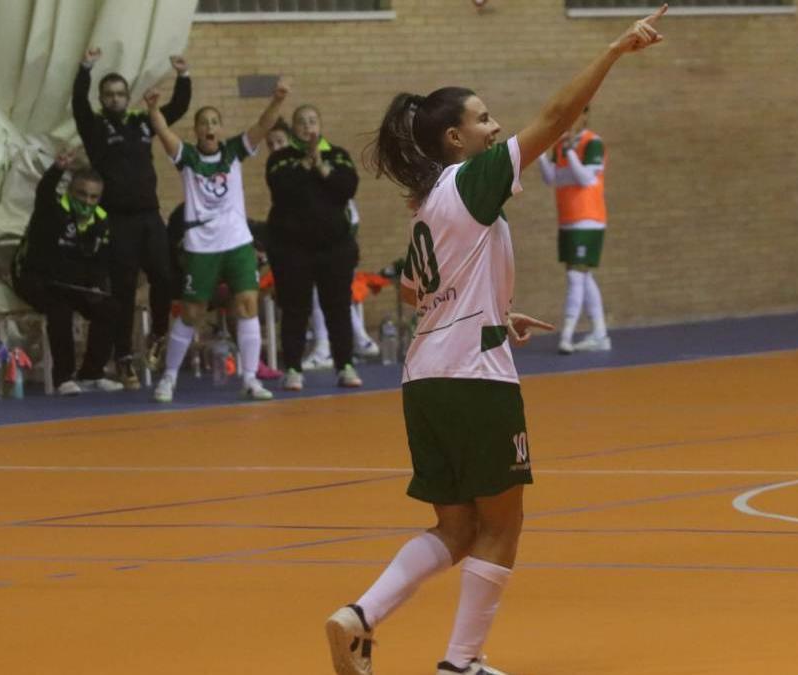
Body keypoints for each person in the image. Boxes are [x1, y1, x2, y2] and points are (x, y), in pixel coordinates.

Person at [321, 7, 667, 675]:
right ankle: (462, 661)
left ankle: (358, 616)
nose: (496, 125)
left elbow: (427, 293)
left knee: (455, 529)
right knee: (503, 525)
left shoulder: (428, 202)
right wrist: (615, 49)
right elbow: (558, 113)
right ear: (455, 137)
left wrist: (496, 314)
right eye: (483, 119)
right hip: (474, 376)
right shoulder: (474, 180)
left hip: (426, 375)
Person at [144, 78, 290, 403]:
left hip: (237, 242)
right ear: (196, 131)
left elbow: (263, 125)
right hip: (201, 245)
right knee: (192, 312)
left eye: (214, 122)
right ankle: (168, 378)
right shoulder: (188, 158)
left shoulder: (235, 151)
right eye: (203, 122)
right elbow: (165, 135)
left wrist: (277, 100)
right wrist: (154, 109)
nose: (209, 127)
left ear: (221, 129)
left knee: (247, 305)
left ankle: (250, 378)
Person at [73, 47, 190, 389]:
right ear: (102, 98)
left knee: (165, 276)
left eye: (120, 94)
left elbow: (177, 109)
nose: (115, 99)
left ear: (127, 97)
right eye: (108, 95)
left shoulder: (142, 122)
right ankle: (123, 358)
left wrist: (183, 76)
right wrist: (86, 67)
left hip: (149, 216)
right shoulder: (93, 127)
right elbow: (78, 103)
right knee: (123, 292)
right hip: (117, 220)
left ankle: (157, 334)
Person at [266, 104, 363, 390]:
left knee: (338, 308)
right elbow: (280, 190)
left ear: (320, 125)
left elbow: (347, 188)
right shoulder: (281, 159)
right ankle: (294, 368)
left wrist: (321, 165)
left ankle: (344, 364)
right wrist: (305, 165)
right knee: (295, 309)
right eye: (301, 122)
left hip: (334, 249)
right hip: (292, 250)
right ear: (293, 129)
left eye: (312, 121)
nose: (307, 127)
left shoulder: (338, 155)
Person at [11, 149, 123, 396]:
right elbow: (44, 192)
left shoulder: (101, 221)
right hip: (34, 277)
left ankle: (92, 373)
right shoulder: (52, 210)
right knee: (60, 309)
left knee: (110, 308)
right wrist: (57, 169)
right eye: (82, 194)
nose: (87, 201)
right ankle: (63, 378)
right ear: (71, 191)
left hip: (71, 283)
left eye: (94, 197)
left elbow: (100, 261)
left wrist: (95, 286)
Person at [536, 105, 611, 354]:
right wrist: (538, 153)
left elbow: (586, 179)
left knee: (575, 277)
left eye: (575, 114)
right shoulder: (560, 145)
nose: (570, 120)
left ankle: (566, 335)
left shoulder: (593, 143)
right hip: (567, 220)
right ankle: (600, 333)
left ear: (585, 116)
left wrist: (570, 152)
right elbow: (551, 178)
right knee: (583, 276)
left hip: (588, 219)